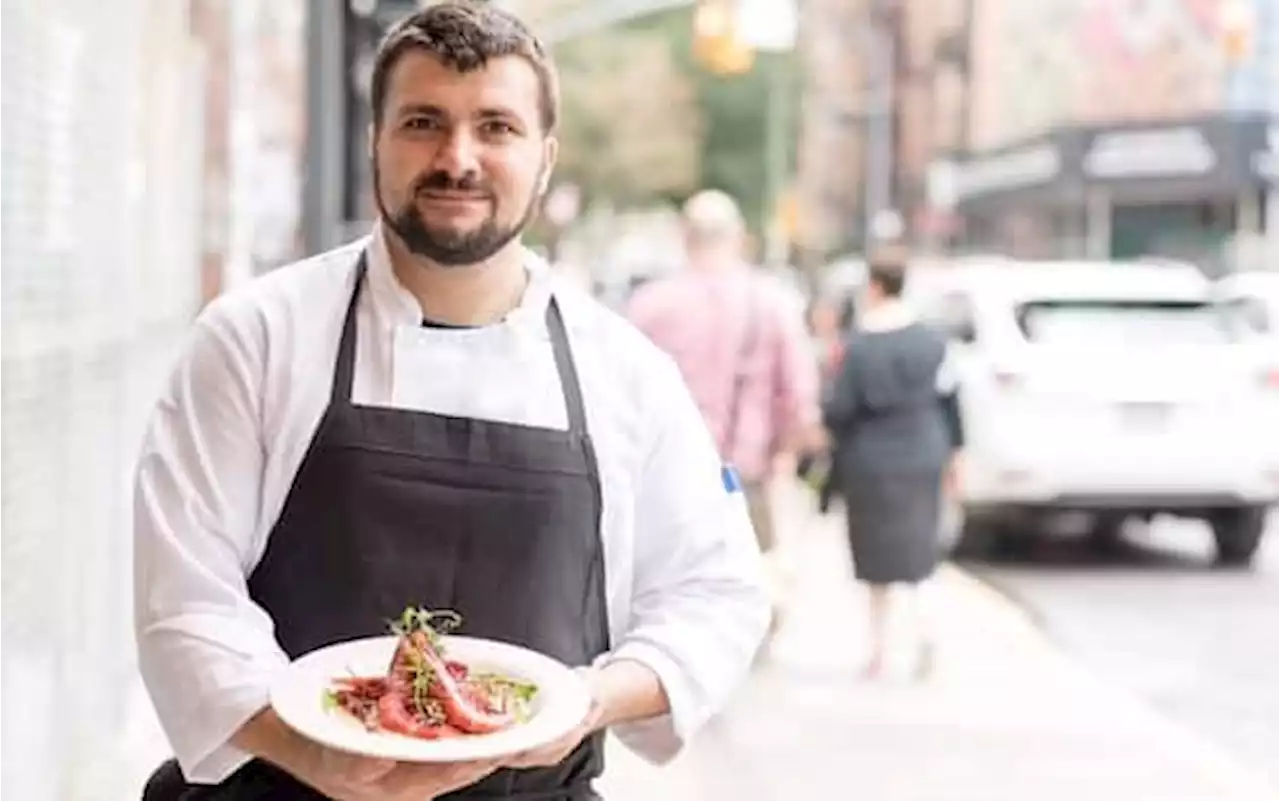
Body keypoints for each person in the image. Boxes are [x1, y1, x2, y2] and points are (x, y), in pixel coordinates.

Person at [133, 5, 770, 800]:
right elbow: (185, 595)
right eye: (423, 122)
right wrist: (309, 751)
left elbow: (715, 591)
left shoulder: (627, 372)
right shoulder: (254, 339)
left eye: (496, 126)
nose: (457, 157)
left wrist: (591, 701)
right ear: (376, 140)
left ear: (545, 157)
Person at [626, 190, 822, 637]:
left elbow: (618, 392)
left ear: (685, 237)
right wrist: (784, 460)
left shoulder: (651, 304)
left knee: (667, 594)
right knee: (746, 589)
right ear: (739, 238)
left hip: (665, 476)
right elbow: (800, 397)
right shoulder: (771, 303)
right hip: (745, 475)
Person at [821, 245, 963, 682]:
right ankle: (928, 636)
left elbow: (838, 409)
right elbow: (952, 404)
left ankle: (878, 652)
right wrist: (957, 456)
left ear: (875, 286)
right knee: (921, 556)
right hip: (924, 455)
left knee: (876, 563)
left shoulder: (858, 348)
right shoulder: (933, 343)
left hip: (870, 463)